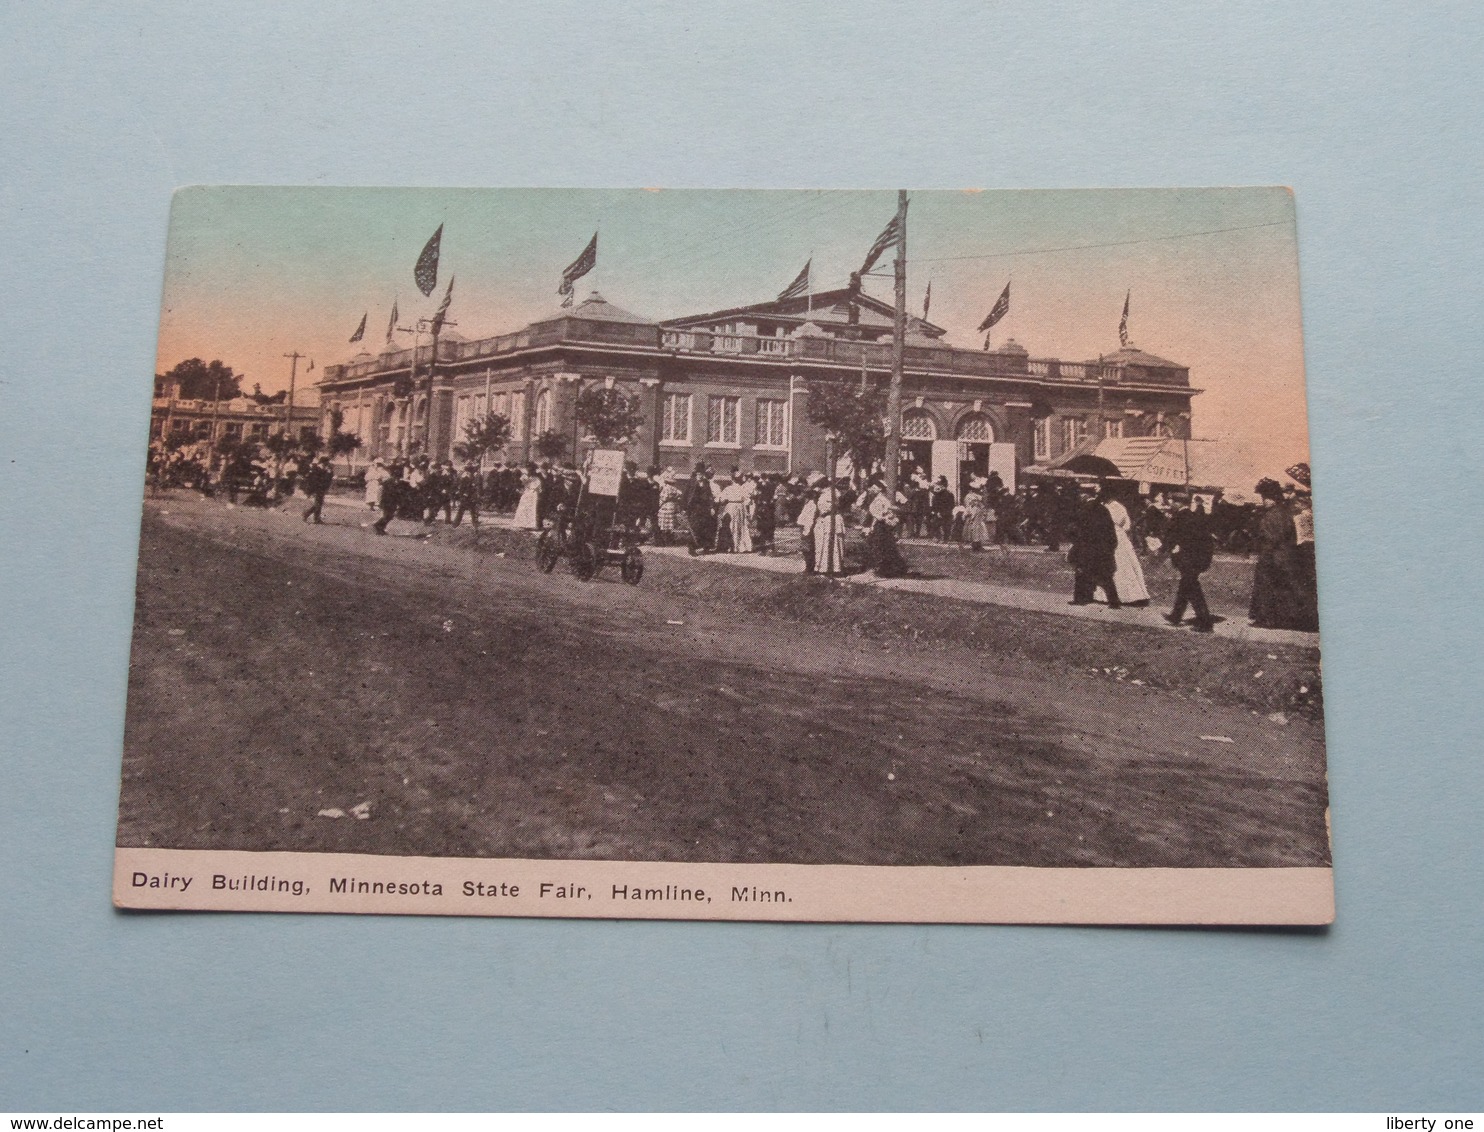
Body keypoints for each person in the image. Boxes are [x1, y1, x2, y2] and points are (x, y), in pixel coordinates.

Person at [1249, 477, 1317, 630]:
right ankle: (1290, 618)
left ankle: (1267, 619)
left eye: (1265, 498)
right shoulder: (1285, 511)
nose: (1264, 501)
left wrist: (1264, 554)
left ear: (1272, 498)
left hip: (1274, 556)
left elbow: (1272, 538)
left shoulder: (1273, 515)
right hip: (1287, 556)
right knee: (1287, 589)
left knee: (1268, 588)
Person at [1162, 496, 1217, 631]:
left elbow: (1180, 537)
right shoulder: (1190, 516)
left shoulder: (1183, 517)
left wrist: (1170, 547)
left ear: (1180, 503)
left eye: (1173, 501)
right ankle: (1176, 615)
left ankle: (1205, 622)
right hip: (1195, 558)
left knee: (1192, 587)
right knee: (1186, 585)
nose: (1171, 503)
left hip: (1190, 558)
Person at [1068, 483, 1120, 607]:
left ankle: (1080, 599)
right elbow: (1110, 529)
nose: (1079, 496)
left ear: (1085, 494)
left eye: (1081, 493)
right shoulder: (1103, 508)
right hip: (1102, 547)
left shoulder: (1084, 508)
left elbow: (1079, 529)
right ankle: (1114, 601)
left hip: (1087, 546)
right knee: (1105, 575)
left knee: (1081, 572)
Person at [1104, 485, 1151, 606]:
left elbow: (1122, 524)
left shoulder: (1114, 507)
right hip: (1116, 536)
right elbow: (1127, 525)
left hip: (1115, 536)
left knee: (1120, 565)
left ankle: (1129, 595)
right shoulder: (1113, 506)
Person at [863, 476, 908, 577]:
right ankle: (888, 568)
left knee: (881, 547)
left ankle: (885, 569)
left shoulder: (880, 500)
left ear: (879, 489)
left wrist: (875, 524)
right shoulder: (878, 499)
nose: (871, 490)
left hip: (881, 526)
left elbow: (880, 515)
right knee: (883, 546)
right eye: (870, 488)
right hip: (880, 524)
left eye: (873, 488)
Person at [813, 480, 847, 576]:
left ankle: (833, 568)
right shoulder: (828, 493)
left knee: (832, 543)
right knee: (823, 543)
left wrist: (821, 513)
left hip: (830, 519)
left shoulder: (830, 494)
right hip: (826, 520)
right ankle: (824, 567)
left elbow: (827, 508)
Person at [684, 465, 716, 555]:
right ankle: (692, 548)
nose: (700, 475)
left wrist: (712, 507)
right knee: (694, 528)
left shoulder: (706, 482)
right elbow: (685, 495)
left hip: (704, 508)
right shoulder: (691, 482)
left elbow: (710, 496)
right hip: (694, 508)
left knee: (705, 528)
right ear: (696, 474)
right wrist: (684, 508)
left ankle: (706, 547)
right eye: (698, 474)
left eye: (701, 474)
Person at [717, 474, 753, 553]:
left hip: (730, 507)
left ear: (732, 480)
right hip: (740, 508)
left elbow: (721, 500)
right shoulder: (742, 489)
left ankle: (731, 546)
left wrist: (724, 501)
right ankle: (740, 547)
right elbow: (748, 501)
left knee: (731, 525)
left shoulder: (728, 489)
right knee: (741, 526)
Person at [371, 462, 405, 535]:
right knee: (388, 515)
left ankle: (380, 527)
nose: (398, 478)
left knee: (390, 516)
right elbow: (389, 493)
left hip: (392, 502)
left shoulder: (395, 482)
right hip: (388, 501)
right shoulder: (389, 482)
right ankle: (378, 526)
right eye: (397, 476)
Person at [962, 475, 994, 551]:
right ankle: (975, 545)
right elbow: (974, 504)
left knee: (978, 528)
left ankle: (978, 544)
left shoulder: (974, 496)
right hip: (974, 513)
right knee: (975, 528)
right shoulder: (971, 496)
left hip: (977, 513)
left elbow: (982, 503)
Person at [300, 456, 333, 524]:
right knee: (318, 504)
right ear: (322, 463)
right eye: (326, 463)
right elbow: (316, 480)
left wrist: (329, 473)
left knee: (318, 504)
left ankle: (309, 515)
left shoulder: (323, 470)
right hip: (316, 489)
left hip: (321, 489)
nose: (327, 465)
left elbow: (327, 480)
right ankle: (313, 517)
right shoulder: (316, 470)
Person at [451, 463, 483, 529]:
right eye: (470, 472)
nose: (471, 474)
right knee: (461, 510)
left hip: (471, 497)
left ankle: (475, 523)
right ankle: (455, 524)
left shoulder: (472, 479)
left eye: (472, 472)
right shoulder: (464, 479)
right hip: (465, 497)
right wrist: (462, 495)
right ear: (467, 472)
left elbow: (473, 488)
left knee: (473, 510)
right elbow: (461, 489)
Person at [513, 463, 543, 529]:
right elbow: (520, 483)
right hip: (527, 493)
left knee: (531, 509)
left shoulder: (537, 479)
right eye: (529, 470)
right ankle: (522, 523)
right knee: (524, 508)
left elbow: (539, 489)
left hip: (533, 494)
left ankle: (530, 525)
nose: (530, 471)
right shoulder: (525, 477)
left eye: (532, 470)